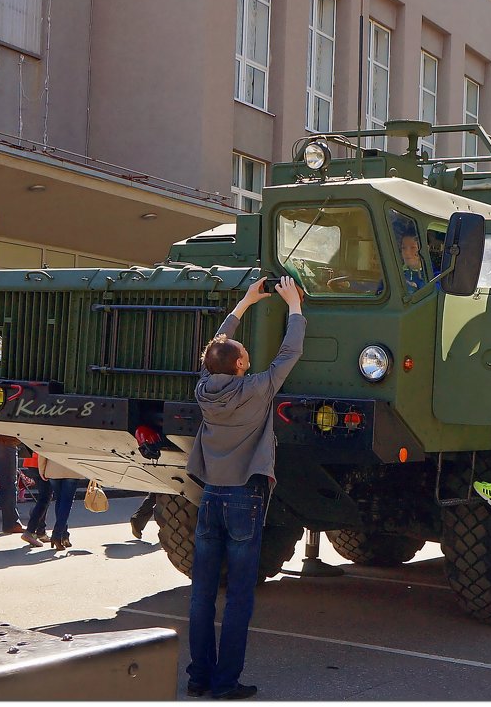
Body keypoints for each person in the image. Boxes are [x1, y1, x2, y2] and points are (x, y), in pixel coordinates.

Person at [186, 275, 305, 701]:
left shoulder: (203, 389)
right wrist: (294, 305)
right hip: (244, 501)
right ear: (238, 367)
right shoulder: (257, 390)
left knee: (201, 594)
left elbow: (216, 346)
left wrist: (244, 305)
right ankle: (225, 682)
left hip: (210, 497)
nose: (249, 361)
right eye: (245, 358)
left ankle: (199, 676)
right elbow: (290, 352)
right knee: (238, 597)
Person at [38, 453, 81, 550]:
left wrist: (41, 468)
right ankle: (57, 535)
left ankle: (64, 535)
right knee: (66, 502)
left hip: (53, 468)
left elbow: (42, 448)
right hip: (72, 468)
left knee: (60, 501)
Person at [21, 451, 53, 547]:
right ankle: (30, 531)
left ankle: (41, 532)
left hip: (32, 461)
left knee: (44, 497)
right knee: (45, 498)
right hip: (41, 462)